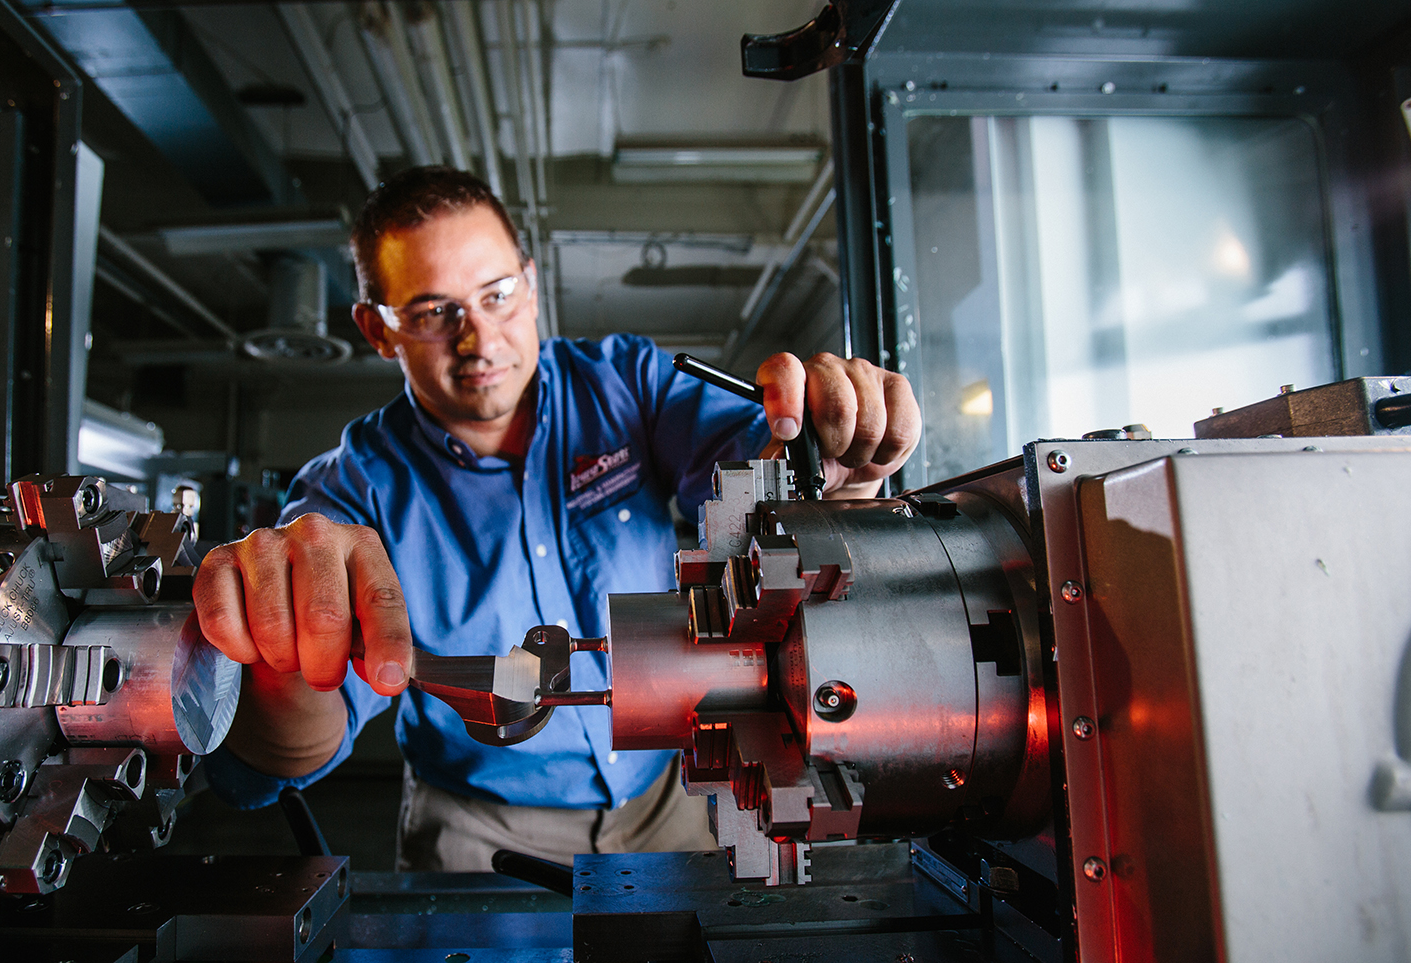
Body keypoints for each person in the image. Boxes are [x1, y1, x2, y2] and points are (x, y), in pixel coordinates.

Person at [194, 166, 920, 872]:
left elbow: (761, 472)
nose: (479, 340)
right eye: (432, 312)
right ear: (378, 330)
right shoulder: (352, 495)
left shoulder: (624, 384)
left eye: (497, 294)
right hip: (480, 829)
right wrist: (279, 654)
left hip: (671, 794)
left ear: (533, 283)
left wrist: (829, 450)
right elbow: (277, 756)